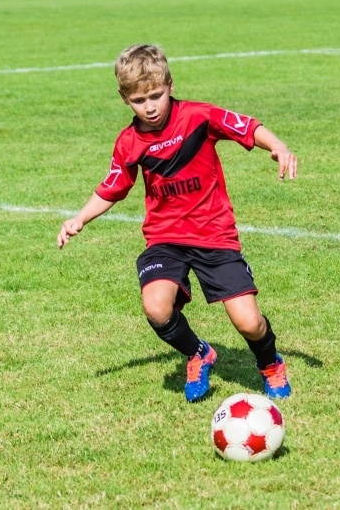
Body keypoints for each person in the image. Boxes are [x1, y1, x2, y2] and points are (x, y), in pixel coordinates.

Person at [57, 44, 298, 403]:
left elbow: (246, 126)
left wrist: (277, 146)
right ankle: (199, 353)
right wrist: (79, 218)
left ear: (170, 84)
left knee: (249, 322)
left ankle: (269, 364)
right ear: (125, 98)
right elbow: (113, 187)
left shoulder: (199, 117)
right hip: (165, 238)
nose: (150, 106)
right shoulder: (129, 142)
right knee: (156, 306)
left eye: (156, 95)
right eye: (140, 100)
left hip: (214, 234)